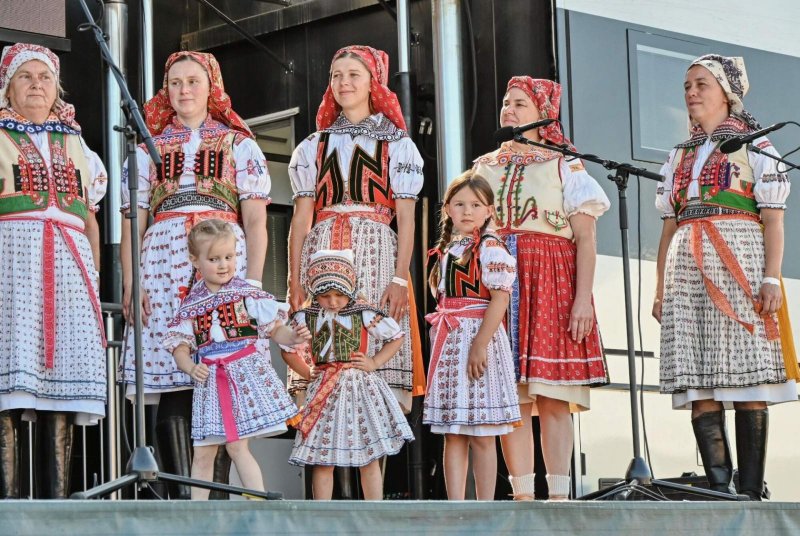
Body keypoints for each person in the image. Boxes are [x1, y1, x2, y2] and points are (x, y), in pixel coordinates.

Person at [120, 51, 271, 497]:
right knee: (173, 373)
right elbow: (133, 221)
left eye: (193, 81)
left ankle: (217, 499)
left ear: (211, 88)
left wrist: (252, 285)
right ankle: (181, 497)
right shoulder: (148, 147)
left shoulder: (238, 144)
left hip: (223, 257)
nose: (184, 90)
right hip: (162, 262)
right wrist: (132, 280)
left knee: (224, 373)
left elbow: (256, 220)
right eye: (175, 82)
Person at [653, 54, 795, 500]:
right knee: (699, 382)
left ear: (727, 92)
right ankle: (719, 489)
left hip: (740, 257)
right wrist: (660, 289)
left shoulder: (756, 145)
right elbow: (669, 226)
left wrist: (771, 279)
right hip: (687, 266)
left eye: (702, 84)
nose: (691, 92)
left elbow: (773, 219)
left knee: (748, 376)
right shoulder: (679, 154)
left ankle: (750, 491)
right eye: (687, 86)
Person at [473, 76, 611, 500]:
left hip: (551, 281)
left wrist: (582, 299)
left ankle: (558, 498)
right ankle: (522, 497)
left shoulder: (563, 164)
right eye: (506, 102)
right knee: (511, 399)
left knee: (552, 396)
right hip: (499, 284)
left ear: (543, 114)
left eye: (520, 103)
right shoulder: (484, 166)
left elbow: (585, 238)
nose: (509, 110)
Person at [287, 45, 426, 413]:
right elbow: (301, 218)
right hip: (322, 248)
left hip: (376, 251)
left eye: (353, 75)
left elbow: (406, 217)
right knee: (320, 341)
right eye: (337, 75)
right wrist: (294, 279)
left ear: (372, 83)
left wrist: (399, 279)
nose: (343, 82)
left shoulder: (397, 143)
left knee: (373, 343)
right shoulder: (313, 145)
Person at [0, 43, 107, 499]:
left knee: (63, 380)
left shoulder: (76, 143)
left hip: (69, 266)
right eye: (25, 77)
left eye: (45, 77)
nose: (36, 85)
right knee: (9, 376)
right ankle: (8, 506)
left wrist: (94, 280)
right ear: (7, 88)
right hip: (11, 264)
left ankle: (57, 508)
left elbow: (90, 220)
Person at [162, 219, 307, 500]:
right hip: (210, 381)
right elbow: (179, 347)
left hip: (242, 376)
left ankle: (259, 504)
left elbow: (275, 330)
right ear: (195, 260)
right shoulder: (191, 304)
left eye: (229, 257)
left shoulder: (246, 294)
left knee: (237, 447)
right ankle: (197, 515)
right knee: (202, 452)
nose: (223, 265)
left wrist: (293, 337)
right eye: (214, 259)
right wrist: (190, 366)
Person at [423, 171, 520, 500]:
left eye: (476, 205)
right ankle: (455, 506)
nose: (467, 211)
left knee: (482, 432)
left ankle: (485, 506)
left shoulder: (491, 248)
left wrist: (479, 345)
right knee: (453, 432)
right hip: (452, 339)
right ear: (448, 209)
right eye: (460, 204)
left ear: (489, 210)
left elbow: (500, 299)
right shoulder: (449, 248)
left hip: (480, 337)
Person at [288, 249, 414, 500]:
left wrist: (374, 361)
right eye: (325, 296)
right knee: (323, 458)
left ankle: (374, 512)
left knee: (369, 455)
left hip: (359, 388)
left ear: (350, 289)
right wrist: (308, 371)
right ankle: (322, 514)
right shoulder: (305, 316)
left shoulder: (363, 312)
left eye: (339, 295)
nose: (333, 302)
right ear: (315, 291)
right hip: (324, 389)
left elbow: (396, 336)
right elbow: (287, 349)